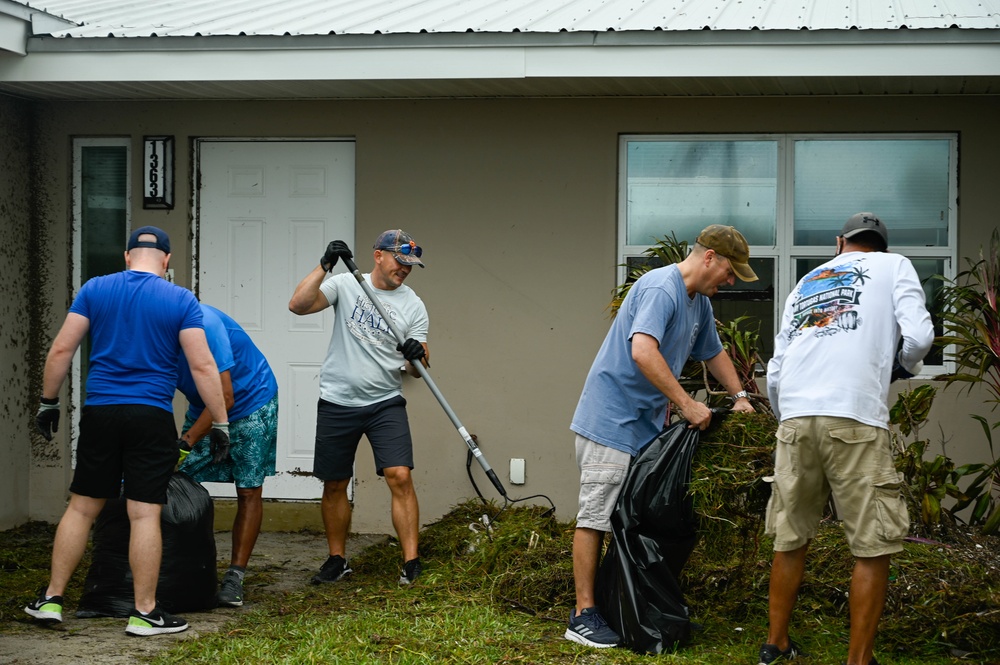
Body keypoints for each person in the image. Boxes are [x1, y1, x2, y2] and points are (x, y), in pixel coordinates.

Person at [26, 226, 230, 637]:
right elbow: (204, 366)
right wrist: (221, 421)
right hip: (149, 414)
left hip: (101, 410)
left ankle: (51, 599)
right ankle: (145, 612)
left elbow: (61, 349)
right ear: (167, 261)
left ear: (126, 256)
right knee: (144, 512)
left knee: (82, 506)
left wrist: (49, 402)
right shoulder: (180, 299)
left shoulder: (95, 289)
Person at [566, 225, 759, 648]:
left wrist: (741, 396)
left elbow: (713, 352)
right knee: (596, 516)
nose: (729, 281)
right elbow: (642, 351)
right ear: (709, 257)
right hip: (611, 420)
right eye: (730, 272)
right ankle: (582, 613)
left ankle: (617, 604)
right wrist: (688, 405)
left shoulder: (699, 303)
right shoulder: (661, 288)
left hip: (645, 427)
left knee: (631, 518)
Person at [760, 213, 934, 665]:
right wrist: (901, 368)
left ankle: (775, 645)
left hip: (796, 417)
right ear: (880, 243)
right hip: (854, 416)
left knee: (790, 536)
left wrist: (787, 415)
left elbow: (776, 366)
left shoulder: (806, 282)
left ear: (841, 242)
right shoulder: (895, 265)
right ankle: (858, 660)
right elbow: (919, 337)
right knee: (873, 543)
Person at [288, 229, 429, 586]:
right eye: (400, 262)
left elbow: (419, 367)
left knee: (400, 475)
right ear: (378, 255)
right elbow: (299, 305)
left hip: (385, 402)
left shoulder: (413, 304)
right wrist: (324, 265)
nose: (405, 270)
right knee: (335, 483)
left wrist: (416, 355)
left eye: (410, 265)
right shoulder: (346, 285)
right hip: (338, 400)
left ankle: (411, 562)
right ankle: (337, 560)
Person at [176, 303, 279, 608]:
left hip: (251, 401)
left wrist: (186, 441)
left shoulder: (205, 324)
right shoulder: (150, 330)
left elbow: (226, 396)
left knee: (248, 489)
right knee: (175, 477)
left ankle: (235, 576)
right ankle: (179, 567)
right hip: (203, 405)